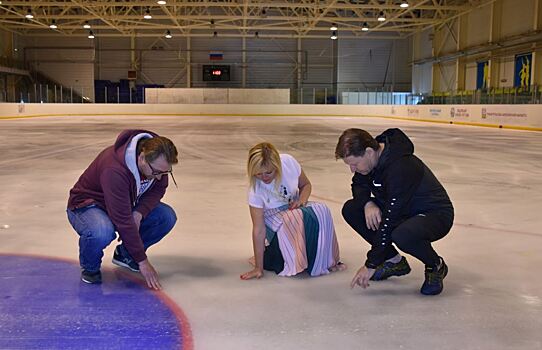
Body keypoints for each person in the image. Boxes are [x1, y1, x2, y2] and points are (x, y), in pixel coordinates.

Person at [335, 128, 454, 295]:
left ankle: (435, 265)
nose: (352, 170)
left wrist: (371, 264)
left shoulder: (400, 166)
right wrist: (367, 203)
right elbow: (358, 185)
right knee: (352, 209)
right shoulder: (371, 162)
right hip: (403, 211)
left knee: (402, 234)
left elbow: (390, 219)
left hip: (434, 214)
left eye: (354, 164)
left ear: (369, 152)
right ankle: (394, 261)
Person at [67, 129, 179, 290]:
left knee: (165, 216)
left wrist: (139, 213)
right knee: (101, 232)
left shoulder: (157, 160)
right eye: (157, 172)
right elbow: (123, 220)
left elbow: (157, 190)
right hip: (87, 206)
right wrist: (143, 261)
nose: (160, 177)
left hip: (124, 203)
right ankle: (90, 267)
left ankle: (126, 255)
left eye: (166, 172)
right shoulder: (114, 169)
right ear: (141, 158)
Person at [240, 142, 345, 280]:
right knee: (294, 218)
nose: (264, 177)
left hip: (295, 205)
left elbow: (306, 185)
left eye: (268, 172)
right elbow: (258, 229)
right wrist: (258, 267)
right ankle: (296, 261)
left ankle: (325, 260)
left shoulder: (288, 162)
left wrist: (301, 200)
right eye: (258, 174)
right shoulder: (255, 190)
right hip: (274, 217)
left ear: (277, 166)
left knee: (322, 210)